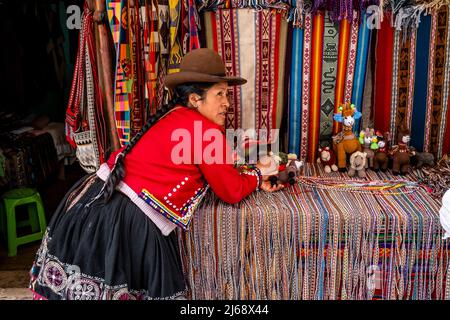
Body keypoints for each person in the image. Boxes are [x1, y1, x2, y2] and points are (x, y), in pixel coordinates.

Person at [29, 48, 284, 300]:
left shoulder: (174, 116)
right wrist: (259, 174)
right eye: (220, 95)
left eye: (227, 94)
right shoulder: (204, 132)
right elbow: (231, 191)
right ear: (195, 99)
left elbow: (218, 171)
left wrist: (249, 173)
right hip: (126, 220)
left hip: (98, 203)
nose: (227, 103)